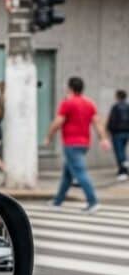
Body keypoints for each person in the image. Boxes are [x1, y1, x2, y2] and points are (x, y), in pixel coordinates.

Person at [45, 76, 111, 213]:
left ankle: (93, 202)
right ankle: (57, 201)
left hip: (71, 144)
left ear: (69, 88)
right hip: (84, 144)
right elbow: (97, 123)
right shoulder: (89, 103)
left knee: (80, 173)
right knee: (67, 174)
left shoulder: (68, 103)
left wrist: (48, 137)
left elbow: (58, 122)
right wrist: (103, 138)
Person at [106, 89, 129, 181]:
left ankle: (123, 170)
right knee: (122, 151)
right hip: (127, 132)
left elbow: (112, 119)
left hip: (117, 132)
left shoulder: (115, 107)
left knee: (119, 152)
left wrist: (109, 130)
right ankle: (123, 170)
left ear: (118, 96)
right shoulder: (128, 106)